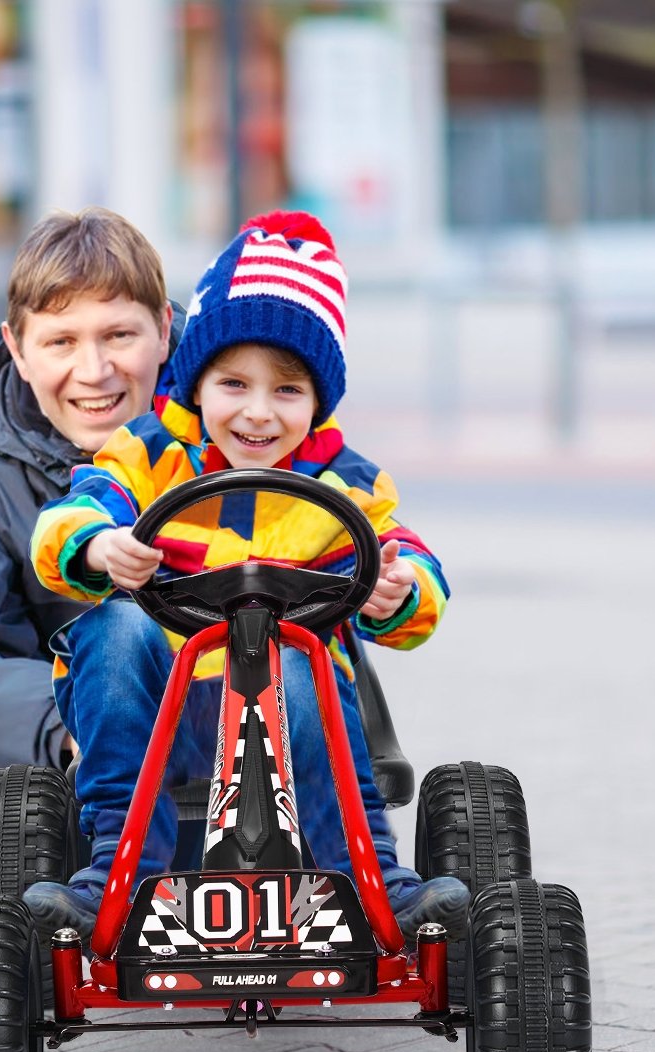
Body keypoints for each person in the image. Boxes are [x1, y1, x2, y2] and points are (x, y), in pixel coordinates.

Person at [24, 210, 469, 943]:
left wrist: (400, 591)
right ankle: (118, 872)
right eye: (234, 383)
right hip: (165, 712)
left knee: (299, 659)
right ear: (196, 383)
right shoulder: (148, 455)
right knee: (113, 625)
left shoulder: (346, 484)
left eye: (287, 392)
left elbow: (412, 563)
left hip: (294, 712)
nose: (258, 414)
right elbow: (67, 518)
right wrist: (101, 546)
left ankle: (372, 879)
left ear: (318, 402)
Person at [0, 208, 182, 807]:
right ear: (18, 351)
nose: (94, 372)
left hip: (241, 720)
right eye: (61, 342)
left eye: (118, 335)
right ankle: (50, 864)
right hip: (74, 760)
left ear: (164, 328)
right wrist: (80, 722)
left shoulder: (239, 414)